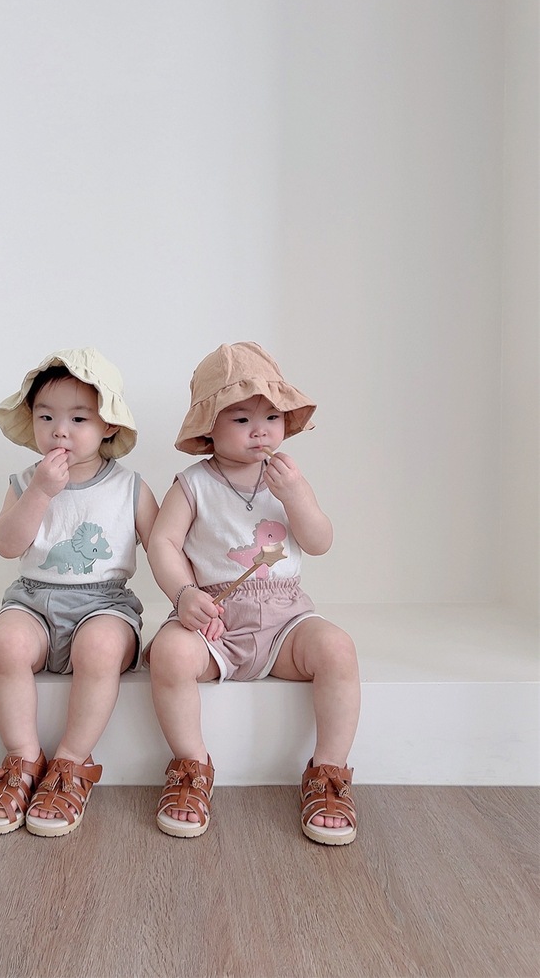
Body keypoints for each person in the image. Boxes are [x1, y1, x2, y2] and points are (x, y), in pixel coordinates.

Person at [146, 342, 360, 844]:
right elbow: (162, 542)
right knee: (171, 654)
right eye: (242, 419)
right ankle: (191, 767)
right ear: (209, 427)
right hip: (215, 621)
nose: (260, 430)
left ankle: (329, 772)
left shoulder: (288, 481)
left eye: (271, 417)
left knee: (338, 648)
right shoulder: (193, 484)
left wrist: (298, 498)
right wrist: (184, 594)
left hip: (285, 621)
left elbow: (319, 541)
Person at [0, 347, 158, 838]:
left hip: (105, 604)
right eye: (47, 417)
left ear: (108, 425)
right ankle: (22, 758)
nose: (60, 431)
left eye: (78, 418)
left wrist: (185, 598)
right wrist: (40, 492)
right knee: (3, 643)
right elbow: (6, 545)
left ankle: (72, 763)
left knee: (99, 647)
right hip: (33, 599)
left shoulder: (130, 487)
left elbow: (163, 548)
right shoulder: (24, 483)